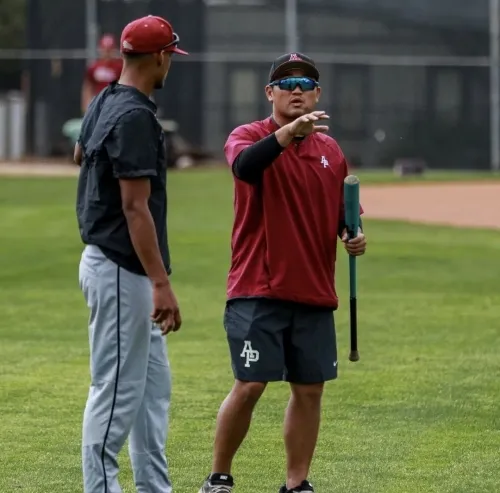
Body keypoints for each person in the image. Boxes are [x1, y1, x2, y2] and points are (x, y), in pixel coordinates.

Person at [198, 53, 367, 493]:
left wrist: (353, 235)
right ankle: (219, 477)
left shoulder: (331, 152)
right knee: (251, 384)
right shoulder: (248, 136)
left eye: (306, 82)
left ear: (317, 94)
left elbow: (343, 218)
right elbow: (245, 167)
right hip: (257, 287)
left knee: (309, 390)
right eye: (286, 82)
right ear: (269, 93)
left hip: (313, 290)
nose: (297, 89)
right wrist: (288, 134)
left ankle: (297, 483)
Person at [74, 15, 188, 493]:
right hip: (124, 270)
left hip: (113, 264)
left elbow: (79, 155)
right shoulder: (136, 114)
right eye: (170, 56)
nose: (170, 64)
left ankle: (153, 489)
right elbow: (134, 205)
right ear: (159, 56)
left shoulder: (107, 97)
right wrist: (161, 283)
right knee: (117, 393)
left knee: (151, 392)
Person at [81, 33, 124, 114]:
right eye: (105, 50)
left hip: (114, 103)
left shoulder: (119, 67)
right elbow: (88, 87)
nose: (107, 53)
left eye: (109, 50)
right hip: (98, 102)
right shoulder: (94, 67)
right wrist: (86, 104)